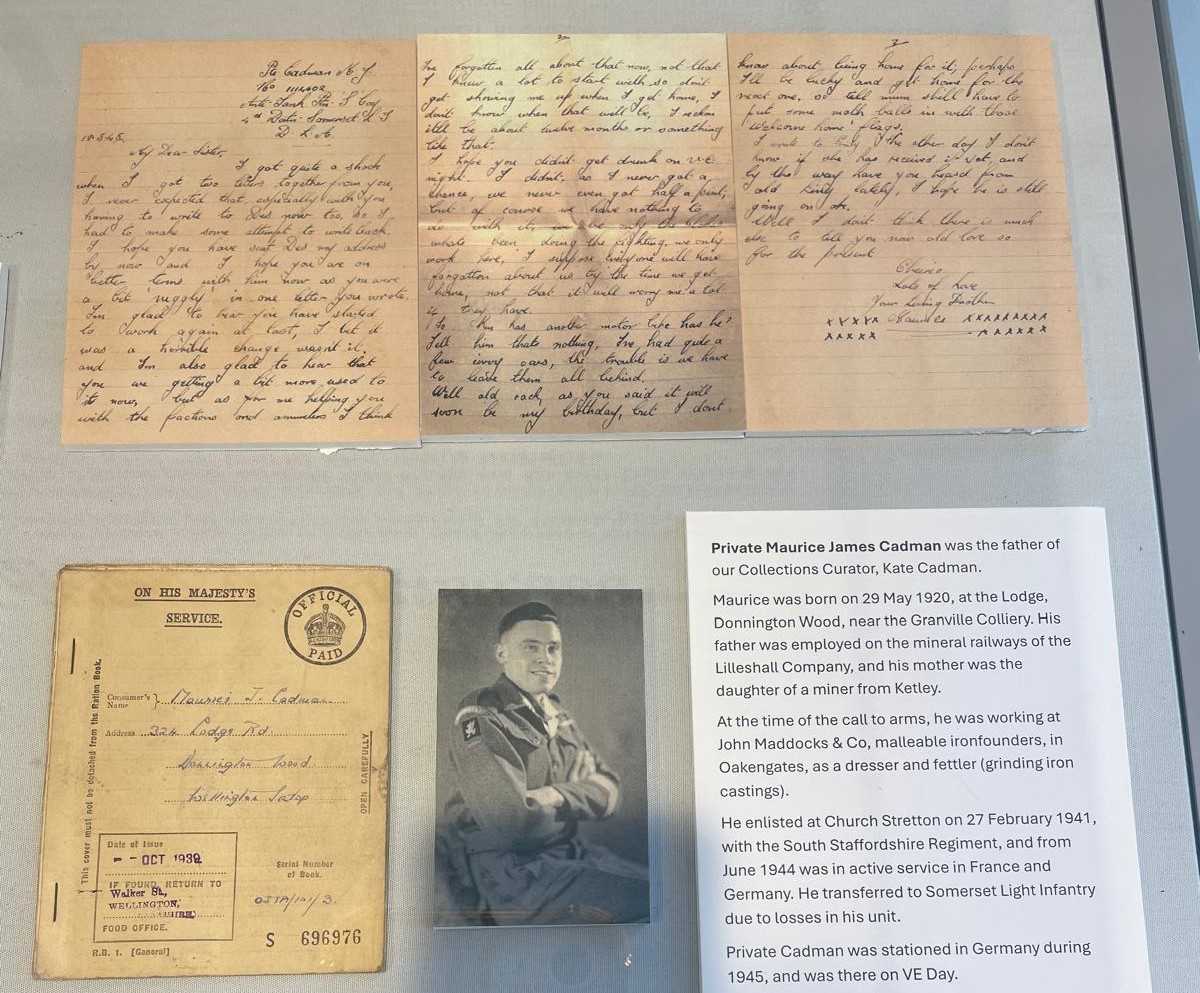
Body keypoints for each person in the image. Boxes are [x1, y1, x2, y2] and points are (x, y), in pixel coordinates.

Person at [437, 601, 650, 925]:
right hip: (514, 877)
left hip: (570, 855)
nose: (545, 659)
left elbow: (612, 790)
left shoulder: (555, 712)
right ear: (501, 654)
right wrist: (583, 794)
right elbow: (514, 827)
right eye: (531, 647)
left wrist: (555, 795)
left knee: (665, 886)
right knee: (654, 899)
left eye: (553, 648)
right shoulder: (481, 715)